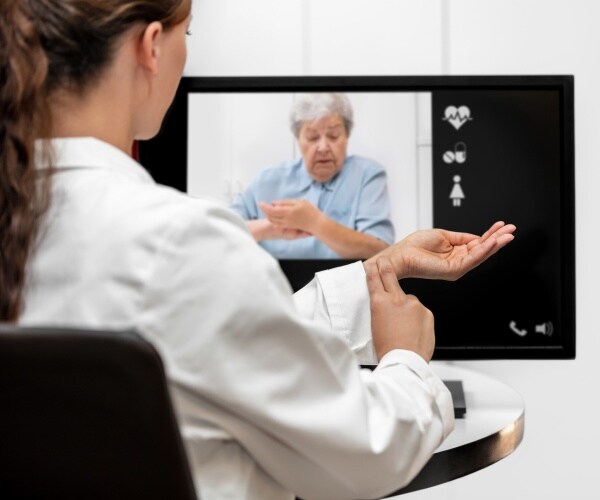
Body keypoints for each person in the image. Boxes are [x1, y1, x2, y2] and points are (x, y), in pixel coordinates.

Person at [0, 1, 516, 499]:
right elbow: (367, 453)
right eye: (189, 35)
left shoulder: (39, 216)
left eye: (332, 134)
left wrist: (381, 268)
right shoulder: (179, 242)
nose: (321, 146)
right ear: (151, 46)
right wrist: (405, 357)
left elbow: (211, 329)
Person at [230, 93, 395, 259]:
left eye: (333, 136)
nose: (323, 147)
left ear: (347, 136)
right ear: (298, 139)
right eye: (312, 137)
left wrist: (315, 223)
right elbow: (219, 233)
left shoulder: (367, 175)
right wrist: (268, 229)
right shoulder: (267, 181)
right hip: (279, 284)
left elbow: (380, 250)